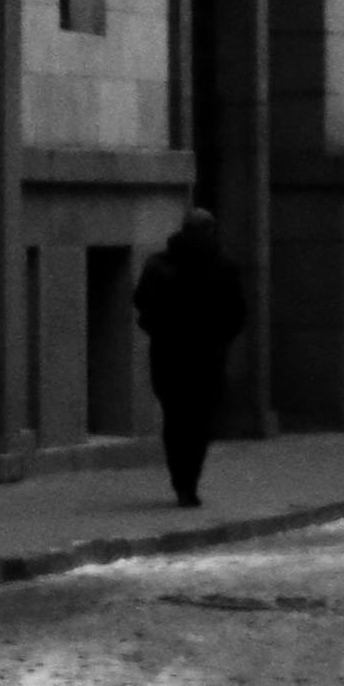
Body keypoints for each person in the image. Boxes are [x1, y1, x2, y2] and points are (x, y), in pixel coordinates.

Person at [136, 197, 246, 511]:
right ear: (211, 231)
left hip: (168, 355)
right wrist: (220, 340)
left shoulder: (158, 265)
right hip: (207, 356)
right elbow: (237, 313)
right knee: (200, 422)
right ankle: (189, 484)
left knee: (175, 419)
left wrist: (159, 331)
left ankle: (179, 479)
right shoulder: (224, 266)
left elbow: (142, 303)